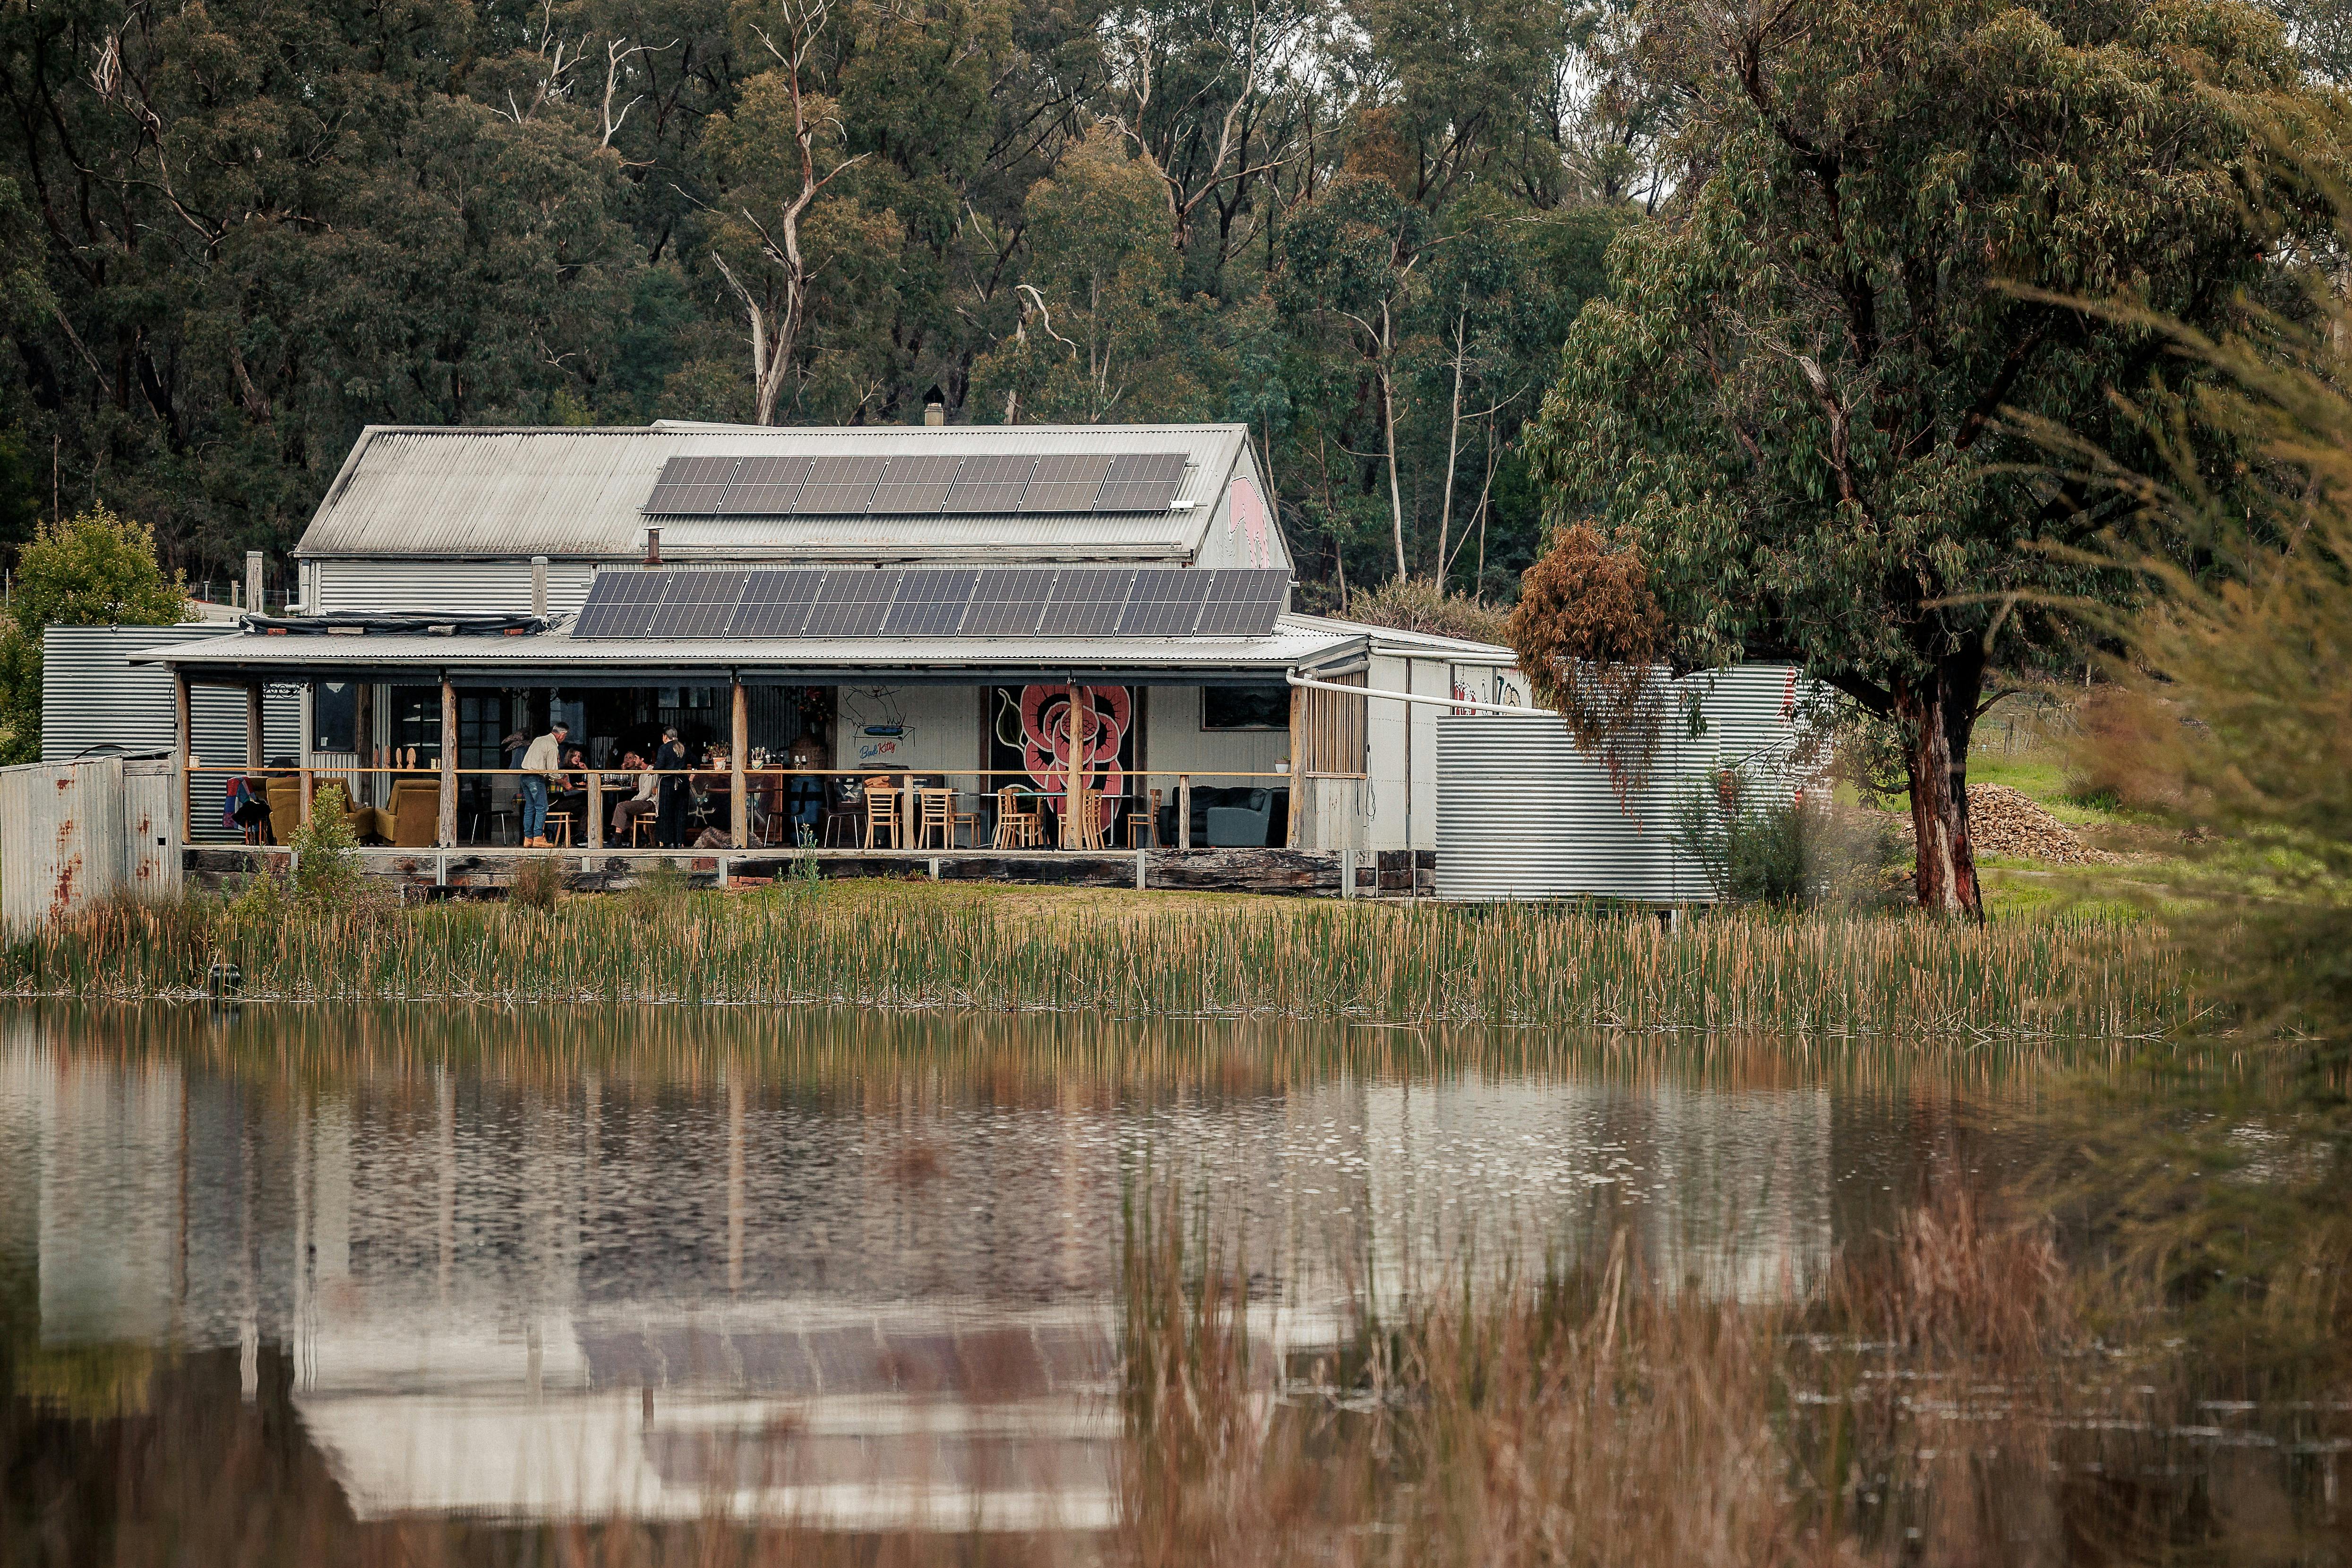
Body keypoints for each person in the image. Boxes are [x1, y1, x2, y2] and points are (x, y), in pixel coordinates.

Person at [519, 720, 569, 847]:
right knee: (542, 807)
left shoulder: (539, 740)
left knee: (530, 807)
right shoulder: (552, 746)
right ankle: (538, 837)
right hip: (536, 777)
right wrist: (563, 782)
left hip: (525, 775)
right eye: (565, 736)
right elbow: (553, 772)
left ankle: (528, 838)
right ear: (562, 735)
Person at [654, 726, 691, 848]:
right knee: (681, 813)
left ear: (665, 736)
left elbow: (659, 767)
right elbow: (696, 763)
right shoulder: (683, 747)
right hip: (683, 783)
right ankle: (679, 842)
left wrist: (654, 769)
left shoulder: (664, 748)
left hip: (668, 783)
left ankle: (668, 842)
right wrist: (691, 777)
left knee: (666, 813)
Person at [609, 751, 659, 840]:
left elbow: (646, 794)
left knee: (621, 807)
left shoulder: (651, 771)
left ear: (642, 759)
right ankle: (640, 835)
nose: (634, 760)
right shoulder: (643, 772)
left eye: (636, 758)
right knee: (618, 811)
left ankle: (617, 840)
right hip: (644, 801)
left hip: (650, 803)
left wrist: (632, 802)